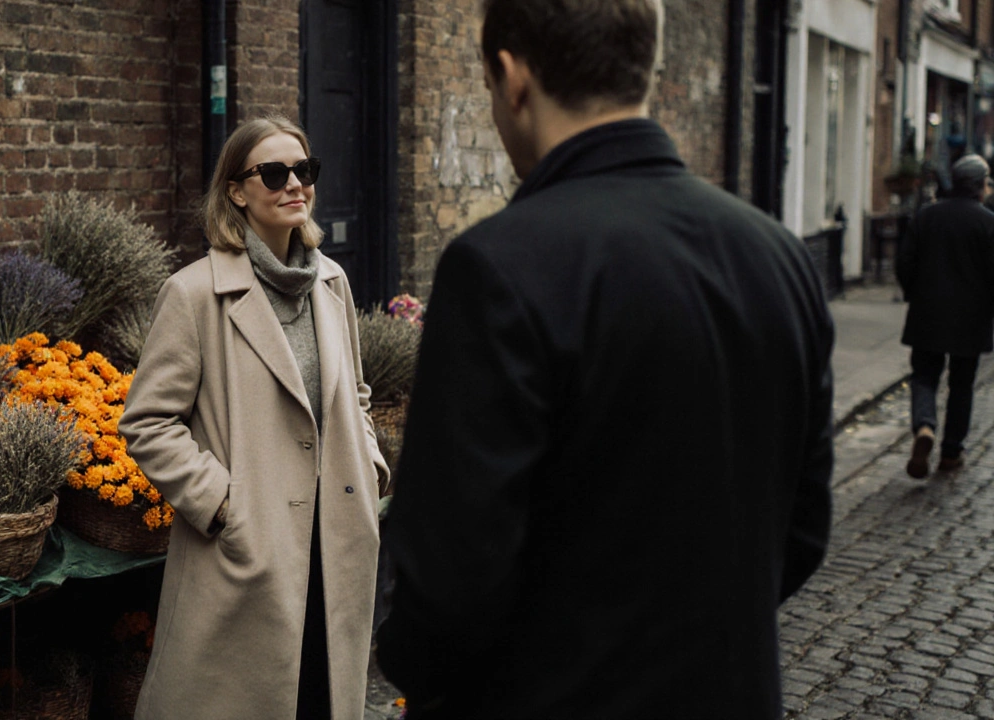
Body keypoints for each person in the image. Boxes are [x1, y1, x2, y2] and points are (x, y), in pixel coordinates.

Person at [375, 1, 834, 718]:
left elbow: (450, 578)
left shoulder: (499, 265)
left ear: (512, 76)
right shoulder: (777, 255)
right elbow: (803, 529)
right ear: (645, 72)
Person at [118, 116, 389, 720]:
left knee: (322, 696)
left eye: (305, 170)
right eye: (274, 172)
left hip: (337, 539)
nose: (295, 184)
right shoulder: (194, 294)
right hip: (246, 552)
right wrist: (222, 504)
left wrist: (369, 469)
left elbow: (357, 393)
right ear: (237, 190)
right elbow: (148, 421)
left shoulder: (333, 282)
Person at [898, 154, 994, 478]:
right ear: (980, 186)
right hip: (971, 319)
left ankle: (924, 426)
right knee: (962, 385)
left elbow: (905, 262)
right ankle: (951, 452)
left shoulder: (927, 216)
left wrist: (914, 295)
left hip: (928, 313)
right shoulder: (988, 222)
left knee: (924, 377)